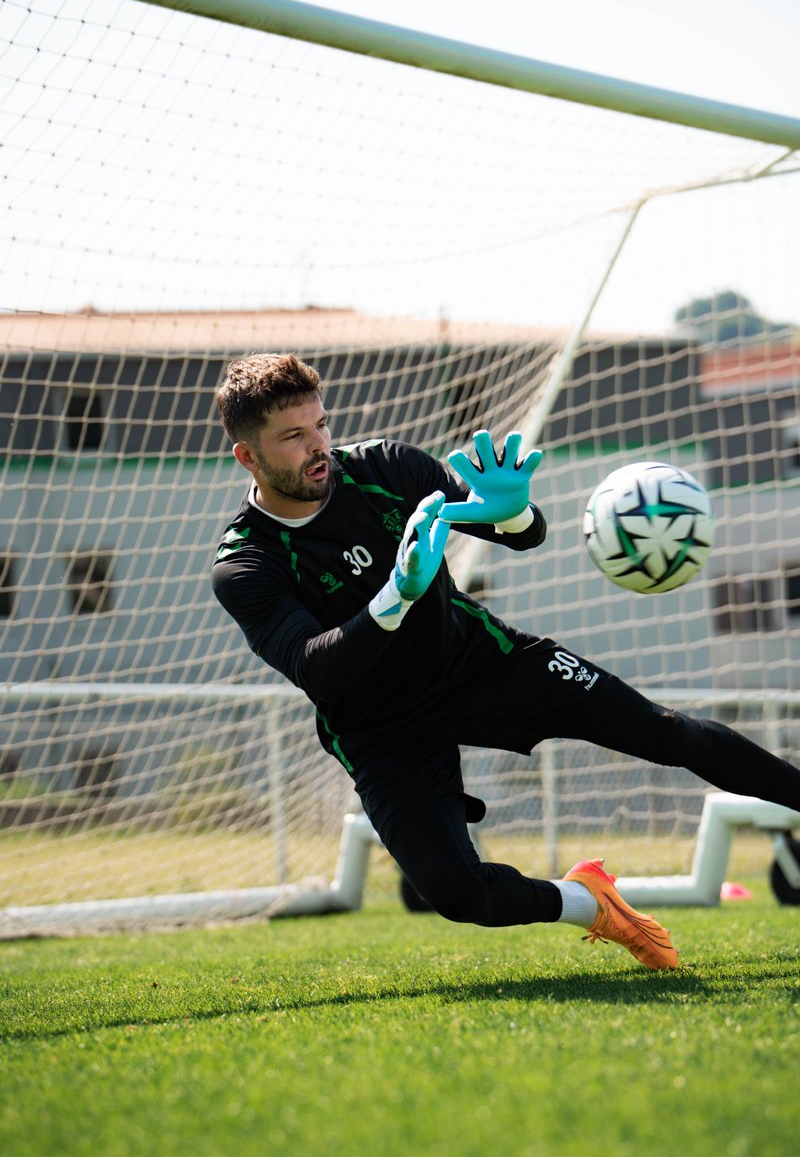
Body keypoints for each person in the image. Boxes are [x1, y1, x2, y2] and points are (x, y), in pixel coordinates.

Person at [211, 353, 800, 971]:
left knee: (666, 731)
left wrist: (513, 508)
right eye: (293, 436)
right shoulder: (245, 563)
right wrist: (397, 596)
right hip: (380, 727)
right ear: (248, 456)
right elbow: (317, 669)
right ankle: (589, 901)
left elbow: (519, 531)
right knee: (457, 893)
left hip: (479, 663)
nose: (318, 447)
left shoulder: (385, 466)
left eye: (321, 424)